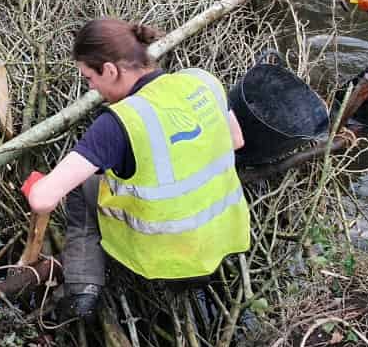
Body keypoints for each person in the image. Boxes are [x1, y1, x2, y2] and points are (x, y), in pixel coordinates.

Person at [23, 18, 251, 320]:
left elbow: (43, 199)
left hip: (158, 256)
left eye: (89, 78)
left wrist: (37, 185)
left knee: (82, 185)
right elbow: (236, 140)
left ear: (110, 70)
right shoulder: (203, 81)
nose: (91, 87)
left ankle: (83, 286)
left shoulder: (118, 123)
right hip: (219, 243)